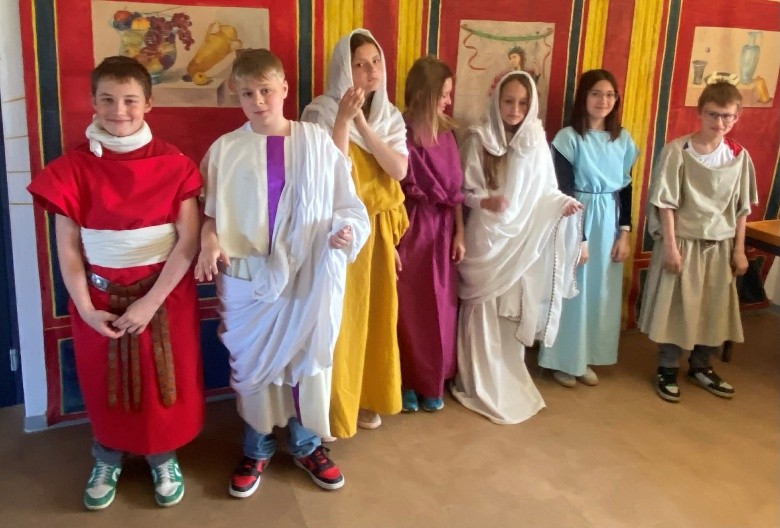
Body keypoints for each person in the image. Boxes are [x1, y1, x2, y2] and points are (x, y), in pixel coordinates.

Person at [27, 56, 204, 510]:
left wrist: (150, 303)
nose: (118, 110)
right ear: (92, 102)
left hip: (164, 295)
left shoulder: (175, 164)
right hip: (98, 296)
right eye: (107, 99)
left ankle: (162, 457)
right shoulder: (72, 168)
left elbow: (188, 242)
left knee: (164, 381)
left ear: (149, 103)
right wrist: (86, 309)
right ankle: (107, 457)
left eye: (129, 100)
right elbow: (68, 248)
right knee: (104, 381)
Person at [196, 49, 368, 497]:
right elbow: (210, 214)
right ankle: (256, 446)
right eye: (247, 93)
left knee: (305, 362)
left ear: (284, 89)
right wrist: (209, 241)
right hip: (249, 280)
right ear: (237, 95)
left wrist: (345, 232)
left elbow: (346, 203)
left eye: (266, 90)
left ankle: (307, 444)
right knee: (253, 368)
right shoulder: (224, 150)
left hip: (309, 274)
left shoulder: (316, 142)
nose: (258, 101)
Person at [451, 71, 583, 424]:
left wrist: (562, 204)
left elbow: (546, 190)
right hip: (486, 237)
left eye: (523, 103)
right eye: (508, 101)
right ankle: (477, 379)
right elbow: (464, 192)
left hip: (519, 239)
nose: (515, 109)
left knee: (509, 308)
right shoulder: (478, 139)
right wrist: (486, 202)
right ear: (497, 101)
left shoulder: (536, 141)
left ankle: (507, 376)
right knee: (482, 305)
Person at [301, 29, 408, 437]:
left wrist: (362, 121)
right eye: (359, 64)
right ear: (344, 69)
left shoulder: (390, 117)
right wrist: (345, 119)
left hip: (376, 233)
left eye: (375, 61)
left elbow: (398, 170)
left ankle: (366, 397)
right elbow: (330, 172)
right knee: (338, 319)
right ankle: (333, 404)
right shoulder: (320, 112)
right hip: (337, 231)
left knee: (374, 316)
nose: (370, 71)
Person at [639, 80, 757, 403]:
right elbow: (665, 203)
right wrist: (671, 247)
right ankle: (667, 367)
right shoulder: (678, 151)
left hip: (720, 244)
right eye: (713, 114)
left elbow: (742, 208)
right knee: (676, 306)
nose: (719, 122)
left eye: (727, 116)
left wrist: (738, 249)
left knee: (712, 307)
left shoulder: (738, 156)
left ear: (736, 117)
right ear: (700, 113)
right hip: (684, 241)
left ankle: (701, 365)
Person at [537, 69, 639, 388]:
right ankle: (563, 360)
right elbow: (563, 190)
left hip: (609, 220)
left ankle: (586, 356)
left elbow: (625, 188)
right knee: (572, 290)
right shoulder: (568, 138)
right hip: (576, 216)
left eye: (609, 95)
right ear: (583, 97)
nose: (603, 101)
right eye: (596, 94)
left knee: (599, 291)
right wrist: (578, 238)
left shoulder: (622, 139)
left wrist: (624, 233)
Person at [396, 56, 465, 413]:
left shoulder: (448, 135)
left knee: (442, 307)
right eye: (443, 94)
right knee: (410, 309)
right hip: (411, 228)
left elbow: (456, 193)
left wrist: (460, 234)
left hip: (443, 230)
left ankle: (432, 379)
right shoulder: (399, 131)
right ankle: (408, 380)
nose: (448, 101)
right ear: (422, 94)